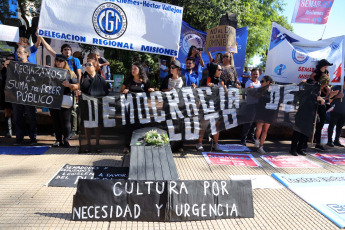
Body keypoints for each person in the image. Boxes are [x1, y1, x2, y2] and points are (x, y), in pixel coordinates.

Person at [40, 37, 82, 139]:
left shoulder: (74, 60)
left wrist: (77, 88)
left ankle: (71, 131)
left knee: (71, 112)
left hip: (69, 89)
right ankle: (59, 136)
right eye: (65, 50)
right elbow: (49, 48)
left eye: (68, 49)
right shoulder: (58, 59)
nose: (67, 51)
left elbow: (79, 75)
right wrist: (41, 38)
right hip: (56, 93)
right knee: (56, 116)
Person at [5, 46, 37, 145]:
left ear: (27, 54)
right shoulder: (14, 65)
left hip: (29, 96)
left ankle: (33, 138)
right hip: (17, 96)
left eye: (20, 52)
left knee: (31, 117)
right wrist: (7, 63)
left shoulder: (32, 66)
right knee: (18, 117)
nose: (18, 54)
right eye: (17, 52)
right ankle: (19, 138)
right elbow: (6, 65)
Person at [120, 63, 154, 153]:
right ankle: (126, 146)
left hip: (141, 109)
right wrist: (124, 91)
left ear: (140, 70)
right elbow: (121, 91)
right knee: (129, 127)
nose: (133, 70)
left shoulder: (145, 81)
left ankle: (139, 145)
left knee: (141, 126)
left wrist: (150, 91)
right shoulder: (128, 80)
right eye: (132, 69)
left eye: (135, 68)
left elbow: (149, 92)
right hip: (129, 108)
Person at [79, 58, 109, 153]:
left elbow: (105, 92)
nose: (87, 66)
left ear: (95, 67)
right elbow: (80, 89)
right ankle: (88, 144)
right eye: (86, 65)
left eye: (89, 65)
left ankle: (97, 143)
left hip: (97, 105)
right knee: (87, 124)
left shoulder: (101, 79)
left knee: (97, 124)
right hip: (86, 105)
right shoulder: (83, 78)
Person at [50, 55, 79, 147]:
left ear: (65, 62)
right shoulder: (51, 71)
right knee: (56, 121)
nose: (58, 62)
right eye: (57, 60)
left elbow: (77, 86)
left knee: (66, 121)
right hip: (53, 99)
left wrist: (69, 85)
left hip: (65, 99)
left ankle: (66, 139)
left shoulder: (70, 73)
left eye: (61, 61)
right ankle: (58, 140)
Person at [196, 62, 225, 151]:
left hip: (217, 106)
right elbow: (200, 91)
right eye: (219, 69)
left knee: (217, 126)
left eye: (221, 70)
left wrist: (225, 88)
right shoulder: (206, 79)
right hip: (206, 106)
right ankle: (199, 143)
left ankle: (216, 144)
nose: (221, 71)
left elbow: (224, 92)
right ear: (214, 70)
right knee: (203, 125)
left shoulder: (221, 80)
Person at [160, 60, 186, 152]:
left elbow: (185, 91)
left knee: (179, 125)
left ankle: (179, 146)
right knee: (169, 124)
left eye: (173, 68)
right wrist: (168, 90)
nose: (171, 69)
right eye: (170, 67)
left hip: (179, 105)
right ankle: (168, 144)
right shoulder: (167, 78)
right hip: (168, 105)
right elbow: (161, 90)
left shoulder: (183, 78)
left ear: (178, 69)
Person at [254, 76, 276, 154]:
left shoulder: (273, 91)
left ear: (268, 82)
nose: (261, 82)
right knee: (259, 128)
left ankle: (261, 146)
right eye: (261, 81)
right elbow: (256, 97)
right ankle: (257, 139)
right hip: (260, 111)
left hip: (269, 112)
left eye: (262, 81)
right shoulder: (259, 89)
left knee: (265, 130)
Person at [240, 68, 261, 146]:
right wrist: (261, 93)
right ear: (251, 75)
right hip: (250, 105)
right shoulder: (249, 83)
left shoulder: (259, 83)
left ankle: (250, 137)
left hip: (258, 106)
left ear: (259, 75)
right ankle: (243, 138)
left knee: (254, 123)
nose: (255, 75)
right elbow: (253, 94)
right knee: (248, 123)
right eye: (254, 74)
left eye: (257, 74)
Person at [327, 78, 345, 147]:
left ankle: (336, 140)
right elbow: (329, 99)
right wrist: (337, 96)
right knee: (331, 125)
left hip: (343, 112)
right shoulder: (336, 88)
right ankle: (329, 141)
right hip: (335, 111)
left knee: (340, 127)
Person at [1, 54, 15, 138]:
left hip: (16, 94)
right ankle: (9, 131)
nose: (10, 61)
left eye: (12, 60)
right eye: (8, 59)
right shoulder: (4, 69)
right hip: (6, 93)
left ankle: (19, 130)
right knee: (7, 111)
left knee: (18, 112)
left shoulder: (18, 69)